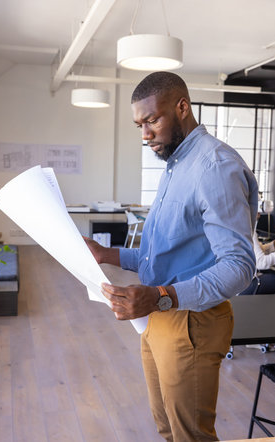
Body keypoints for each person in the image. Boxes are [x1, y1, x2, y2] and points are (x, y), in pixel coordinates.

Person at [85, 71, 258, 442]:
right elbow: (162, 252)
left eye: (152, 121)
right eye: (139, 125)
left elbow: (241, 266)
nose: (145, 134)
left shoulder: (214, 166)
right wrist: (107, 254)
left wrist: (162, 296)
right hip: (159, 315)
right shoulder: (176, 163)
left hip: (191, 321)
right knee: (168, 430)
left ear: (182, 107)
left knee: (190, 436)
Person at [240, 215, 275, 295]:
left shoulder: (242, 226)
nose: (259, 213)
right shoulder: (248, 229)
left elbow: (259, 250)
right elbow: (261, 263)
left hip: (242, 281)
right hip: (247, 285)